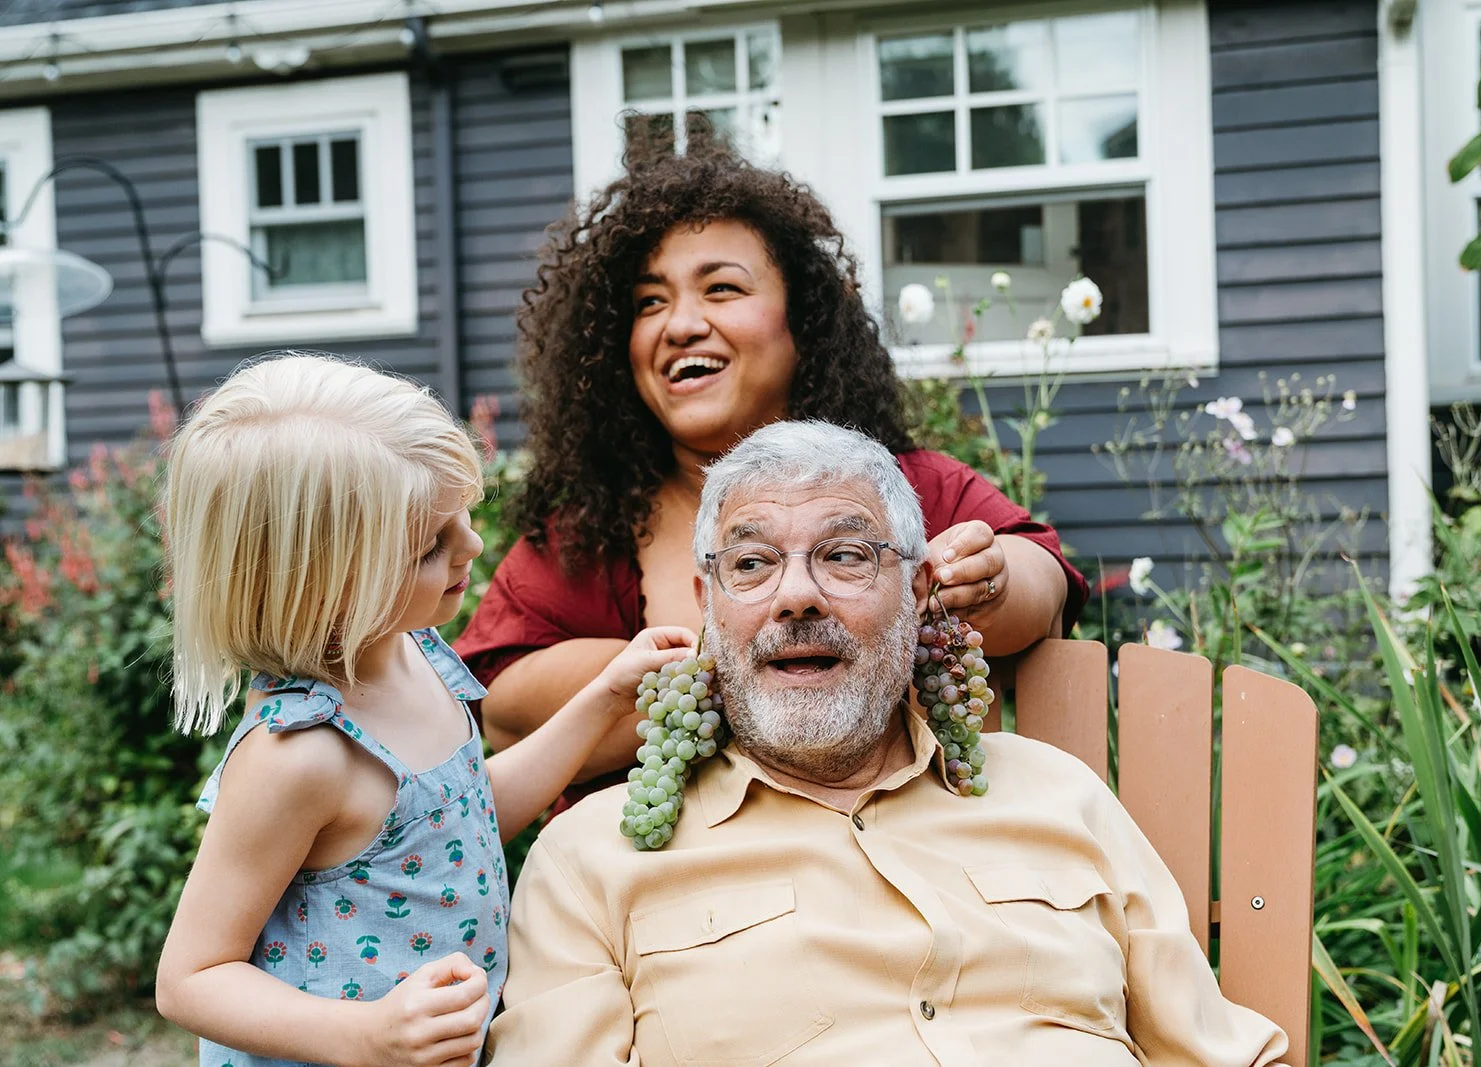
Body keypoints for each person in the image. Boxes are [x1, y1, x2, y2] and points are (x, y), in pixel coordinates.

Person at [486, 421, 1289, 1067]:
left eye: (844, 555)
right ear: (707, 602)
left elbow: (1222, 1050)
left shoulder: (1058, 795)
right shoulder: (592, 858)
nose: (797, 595)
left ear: (917, 591)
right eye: (754, 562)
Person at [453, 146, 1090, 787]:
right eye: (649, 303)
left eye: (721, 288)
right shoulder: (590, 530)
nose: (679, 324)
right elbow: (498, 705)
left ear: (804, 320)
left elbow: (1046, 585)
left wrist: (992, 583)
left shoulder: (909, 488)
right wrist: (729, 655)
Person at [153, 353, 698, 1067]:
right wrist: (366, 1034)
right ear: (323, 586)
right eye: (430, 547)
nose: (472, 546)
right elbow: (189, 979)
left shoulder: (417, 651)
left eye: (463, 518)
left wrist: (601, 700)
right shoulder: (299, 755)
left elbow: (464, 816)